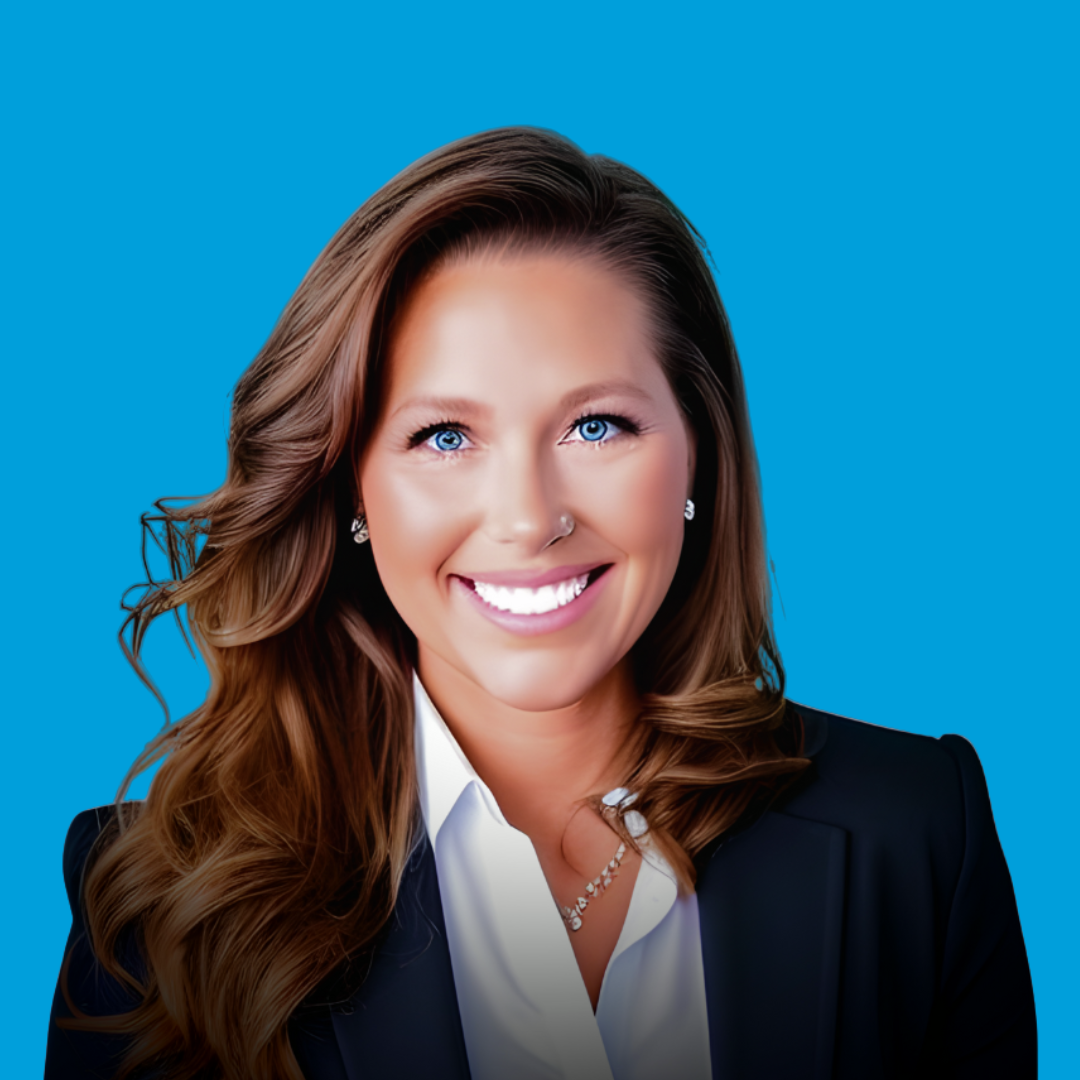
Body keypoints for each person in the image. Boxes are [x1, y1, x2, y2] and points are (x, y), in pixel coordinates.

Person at [46, 127, 1036, 1080]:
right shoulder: (157, 907)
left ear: (699, 453)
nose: (528, 520)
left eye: (597, 425)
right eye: (444, 437)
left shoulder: (917, 833)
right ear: (350, 485)